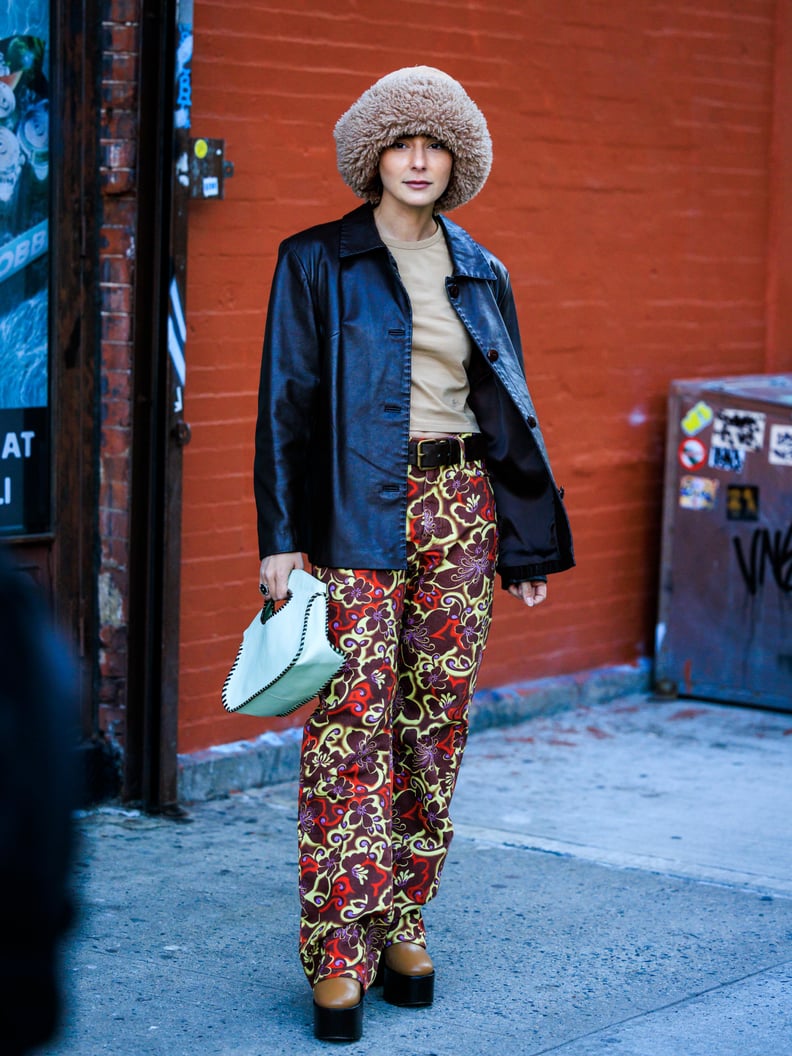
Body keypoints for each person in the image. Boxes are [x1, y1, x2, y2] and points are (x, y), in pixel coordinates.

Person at [254, 66, 574, 1043]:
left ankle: (403, 919)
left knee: (434, 727)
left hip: (459, 513)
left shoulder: (482, 269)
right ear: (374, 157)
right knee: (354, 727)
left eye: (436, 145)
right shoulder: (316, 261)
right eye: (403, 143)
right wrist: (282, 543)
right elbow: (285, 409)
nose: (421, 159)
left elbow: (507, 416)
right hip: (354, 515)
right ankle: (339, 949)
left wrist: (519, 546)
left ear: (459, 159)